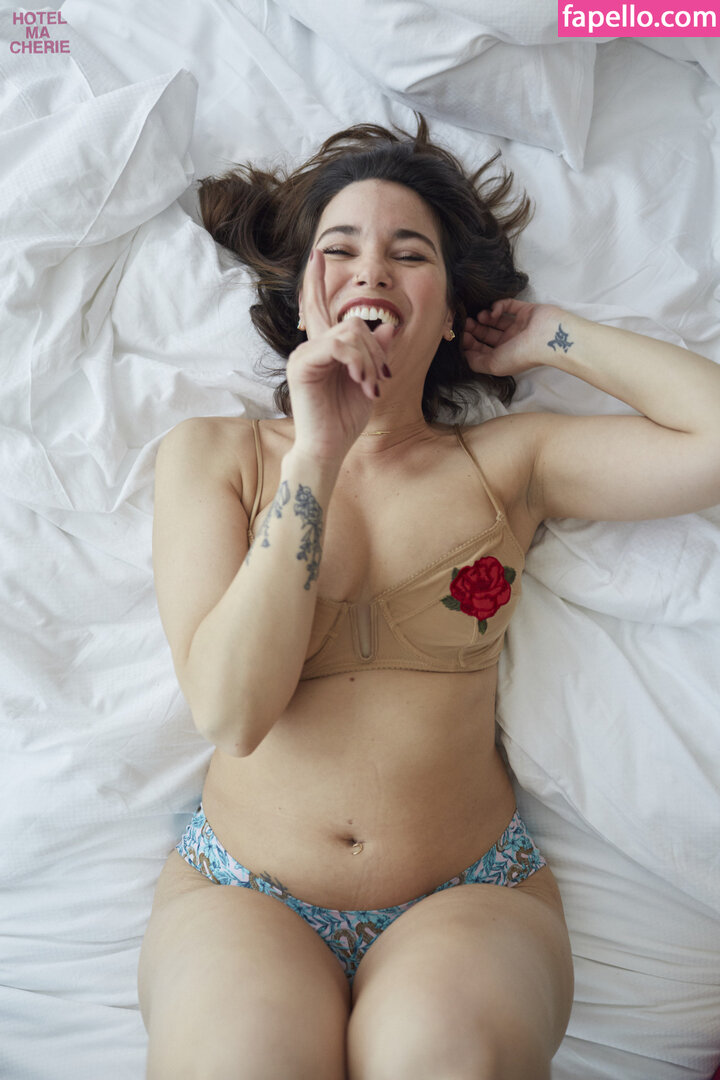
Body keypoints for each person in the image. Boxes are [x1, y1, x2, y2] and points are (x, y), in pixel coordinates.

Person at [137, 116, 720, 1080]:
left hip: (468, 896)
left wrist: (549, 337)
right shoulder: (216, 456)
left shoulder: (507, 464)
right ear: (304, 297)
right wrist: (318, 453)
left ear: (448, 311)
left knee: (439, 1058)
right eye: (340, 249)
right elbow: (232, 712)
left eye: (410, 254)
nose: (371, 268)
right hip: (242, 893)